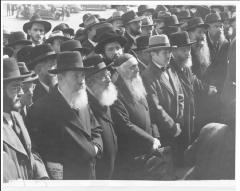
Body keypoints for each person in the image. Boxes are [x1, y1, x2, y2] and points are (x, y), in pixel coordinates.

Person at [25, 51, 103, 179]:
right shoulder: (41, 108)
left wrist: (96, 148)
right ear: (60, 78)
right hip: (65, 179)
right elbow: (38, 150)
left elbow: (96, 129)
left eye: (83, 75)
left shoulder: (82, 100)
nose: (81, 81)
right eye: (76, 76)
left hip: (89, 176)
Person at [111, 54, 161, 179]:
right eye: (132, 67)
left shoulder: (138, 84)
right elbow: (125, 124)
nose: (137, 69)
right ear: (120, 70)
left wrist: (155, 135)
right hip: (132, 153)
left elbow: (149, 112)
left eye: (137, 66)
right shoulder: (115, 93)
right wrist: (150, 140)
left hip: (149, 148)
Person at [169, 31, 217, 151]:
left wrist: (207, 88)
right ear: (173, 51)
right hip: (179, 119)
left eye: (188, 49)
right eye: (184, 50)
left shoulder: (185, 65)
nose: (188, 53)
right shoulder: (169, 69)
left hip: (191, 114)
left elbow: (194, 80)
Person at [3, 58, 48, 182]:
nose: (21, 92)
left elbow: (30, 151)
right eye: (15, 88)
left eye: (21, 87)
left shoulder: (16, 116)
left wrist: (42, 176)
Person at [141, 35, 183, 165]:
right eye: (165, 52)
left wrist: (179, 119)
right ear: (153, 54)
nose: (169, 55)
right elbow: (156, 107)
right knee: (167, 166)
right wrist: (172, 126)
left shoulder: (171, 68)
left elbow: (180, 95)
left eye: (170, 51)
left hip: (177, 126)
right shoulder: (147, 76)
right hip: (163, 131)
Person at [84, 55, 118, 179]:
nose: (109, 79)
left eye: (108, 74)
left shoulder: (103, 96)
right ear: (90, 82)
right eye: (103, 76)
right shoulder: (85, 104)